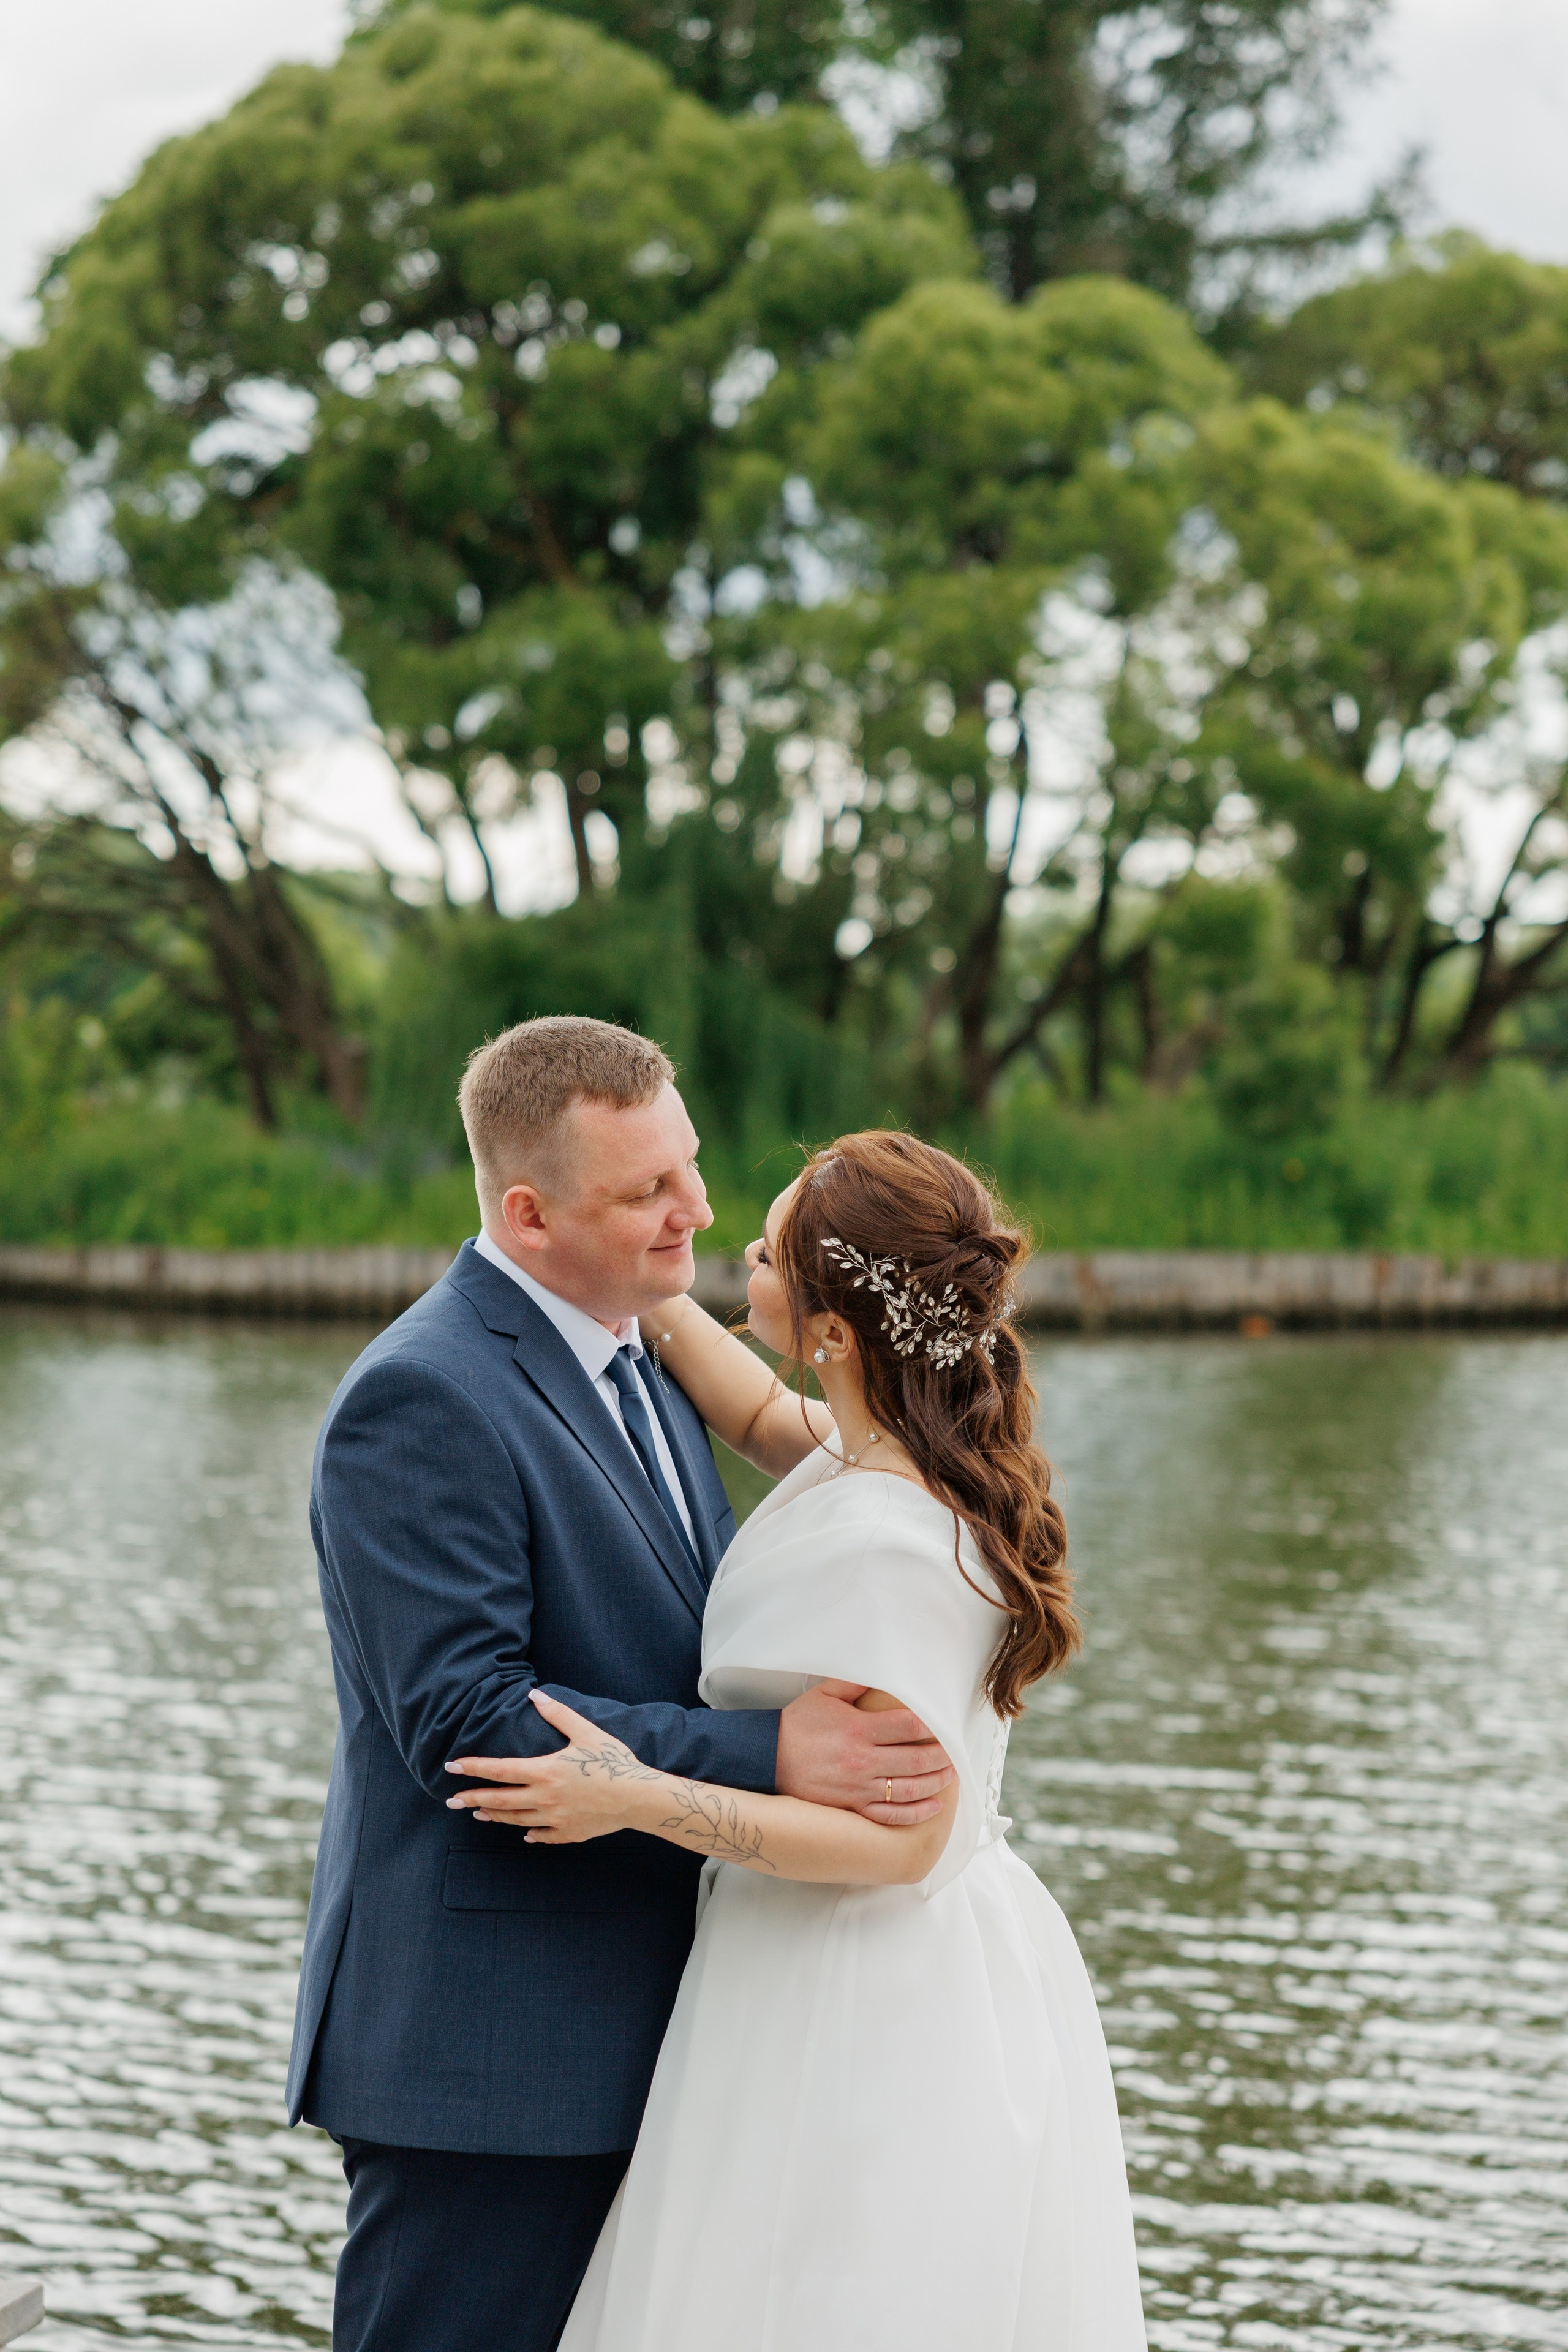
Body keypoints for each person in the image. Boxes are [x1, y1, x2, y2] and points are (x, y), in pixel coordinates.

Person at [287, 1020, 956, 2352]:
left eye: (690, 1169)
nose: (695, 1214)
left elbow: (798, 1453)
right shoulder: (420, 1400)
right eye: (647, 1192)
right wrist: (769, 1753)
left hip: (674, 2035)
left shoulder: (639, 1341)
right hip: (491, 2062)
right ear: (527, 1215)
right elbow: (471, 1725)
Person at [447, 1129, 1150, 2350]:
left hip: (861, 1982)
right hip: (803, 1949)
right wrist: (633, 1285)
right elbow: (757, 1408)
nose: (734, 1257)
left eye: (764, 1253)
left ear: (833, 1327)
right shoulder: (881, 1451)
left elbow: (892, 1844)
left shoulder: (895, 1539)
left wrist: (635, 1794)